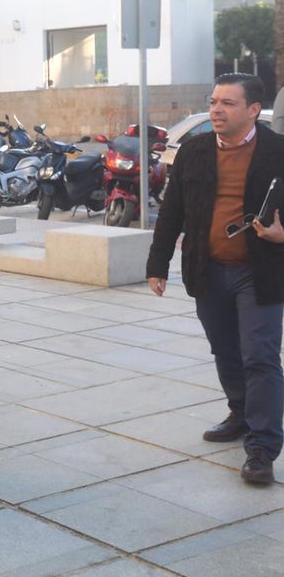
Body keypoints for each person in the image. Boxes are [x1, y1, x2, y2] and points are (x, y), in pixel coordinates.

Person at [147, 72, 284, 485]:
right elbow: (172, 210)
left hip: (259, 272)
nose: (216, 110)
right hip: (207, 268)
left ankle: (262, 446)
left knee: (259, 356)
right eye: (213, 102)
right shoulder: (194, 150)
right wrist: (157, 264)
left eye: (227, 103)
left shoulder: (278, 151)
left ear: (254, 110)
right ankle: (240, 413)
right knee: (225, 350)